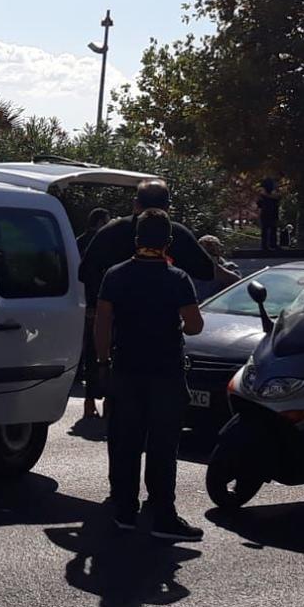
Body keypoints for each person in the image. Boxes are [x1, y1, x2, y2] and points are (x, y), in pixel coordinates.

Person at [93, 209, 206, 540]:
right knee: (162, 445)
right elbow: (195, 325)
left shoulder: (115, 275)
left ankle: (124, 511)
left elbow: (102, 323)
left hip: (126, 369)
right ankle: (162, 514)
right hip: (166, 372)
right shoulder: (177, 278)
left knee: (125, 442)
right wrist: (178, 324)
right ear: (168, 241)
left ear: (137, 238)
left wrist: (102, 363)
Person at [80, 179, 216, 315]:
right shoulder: (178, 234)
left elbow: (85, 272)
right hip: (164, 320)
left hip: (119, 319)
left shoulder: (111, 232)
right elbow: (207, 271)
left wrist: (97, 303)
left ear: (136, 203)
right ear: (168, 206)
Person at [76, 207, 110, 422]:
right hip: (101, 303)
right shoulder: (103, 243)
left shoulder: (79, 241)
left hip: (84, 304)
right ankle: (108, 400)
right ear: (99, 222)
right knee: (107, 352)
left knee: (90, 352)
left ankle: (89, 402)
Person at [257, 178, 281, 252]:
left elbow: (277, 199)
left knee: (272, 229)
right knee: (266, 230)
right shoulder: (263, 196)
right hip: (266, 213)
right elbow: (259, 204)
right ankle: (266, 246)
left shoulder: (269, 195)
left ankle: (272, 245)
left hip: (271, 213)